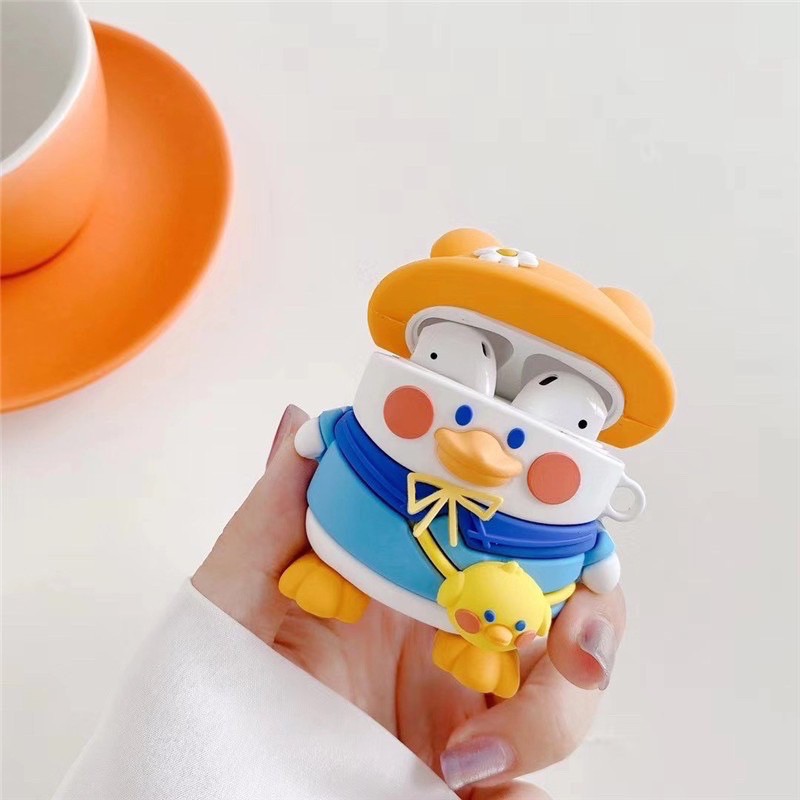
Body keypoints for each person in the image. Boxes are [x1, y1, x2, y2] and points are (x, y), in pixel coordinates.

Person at [55, 406, 626, 800]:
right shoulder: (373, 440)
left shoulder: (568, 528)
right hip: (347, 553)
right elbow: (327, 434)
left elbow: (599, 564)